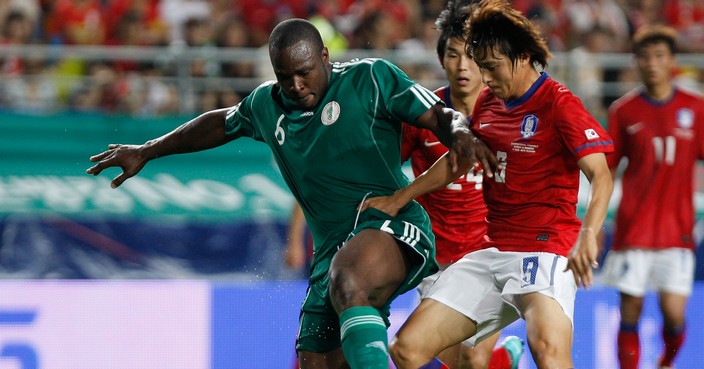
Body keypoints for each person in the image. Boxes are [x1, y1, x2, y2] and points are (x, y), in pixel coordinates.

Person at [86, 18, 479, 369]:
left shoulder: (371, 79)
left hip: (394, 224)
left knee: (351, 282)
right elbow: (219, 123)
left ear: (325, 56)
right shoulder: (266, 104)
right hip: (332, 253)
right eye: (284, 76)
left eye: (304, 72)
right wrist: (147, 151)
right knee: (314, 359)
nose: (295, 85)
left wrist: (460, 132)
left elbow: (439, 113)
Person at [360, 1, 614, 368]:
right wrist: (399, 198)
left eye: (492, 68)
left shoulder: (559, 104)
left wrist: (589, 233)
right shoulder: (489, 104)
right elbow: (459, 160)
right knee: (407, 350)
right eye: (482, 69)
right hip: (491, 252)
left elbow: (600, 174)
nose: (486, 79)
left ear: (523, 56)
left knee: (547, 350)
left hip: (545, 250)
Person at [402, 2, 522, 369]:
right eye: (453, 55)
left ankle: (498, 355)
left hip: (487, 254)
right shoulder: (423, 114)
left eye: (471, 56)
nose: (462, 66)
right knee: (453, 361)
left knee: (472, 356)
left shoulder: (508, 115)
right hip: (434, 257)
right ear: (442, 60)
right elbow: (385, 167)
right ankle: (508, 357)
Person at [601, 25, 703, 369]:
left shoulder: (696, 108)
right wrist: (595, 222)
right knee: (630, 309)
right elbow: (607, 168)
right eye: (644, 57)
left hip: (678, 230)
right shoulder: (624, 111)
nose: (652, 63)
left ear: (672, 61)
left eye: (659, 56)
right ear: (636, 62)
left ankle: (665, 363)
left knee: (674, 314)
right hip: (634, 229)